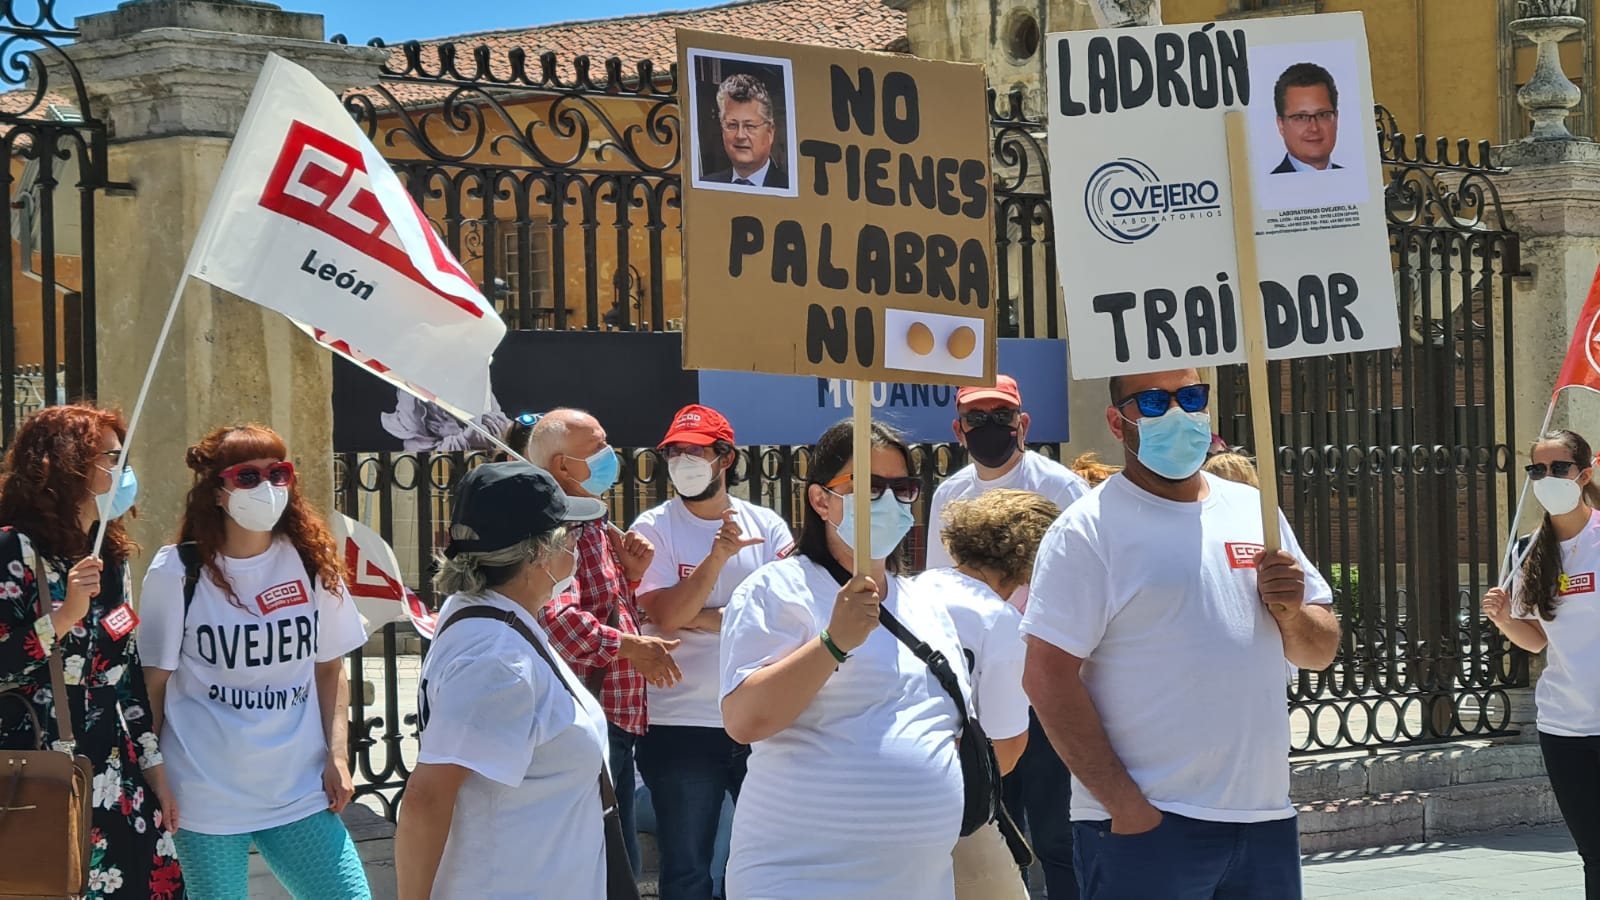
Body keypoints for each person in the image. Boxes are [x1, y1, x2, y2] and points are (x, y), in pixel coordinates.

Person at [1022, 369, 1340, 899]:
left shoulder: (1252, 510)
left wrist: (1290, 612)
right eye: (1151, 401)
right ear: (1116, 420)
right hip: (1149, 827)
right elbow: (1046, 677)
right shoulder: (1088, 529)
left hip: (1263, 820)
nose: (1177, 413)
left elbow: (1320, 650)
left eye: (1191, 397)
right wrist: (1125, 807)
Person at [719, 419, 968, 899]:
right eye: (870, 487)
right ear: (820, 500)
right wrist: (834, 643)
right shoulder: (777, 589)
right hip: (802, 880)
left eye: (903, 488)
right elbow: (743, 720)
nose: (890, 501)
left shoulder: (926, 605)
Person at [140, 425, 370, 899]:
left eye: (279, 473)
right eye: (248, 476)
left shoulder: (311, 562)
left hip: (298, 791)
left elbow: (330, 668)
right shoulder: (177, 572)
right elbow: (153, 685)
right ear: (217, 492)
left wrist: (338, 756)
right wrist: (153, 776)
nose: (267, 487)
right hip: (203, 796)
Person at [396, 461, 614, 899]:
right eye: (571, 534)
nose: (578, 544)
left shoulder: (492, 619)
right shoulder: (496, 659)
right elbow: (426, 799)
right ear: (537, 552)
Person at [0, 404, 183, 899]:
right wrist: (62, 617)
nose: (123, 470)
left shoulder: (111, 556)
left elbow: (125, 675)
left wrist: (155, 771)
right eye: (111, 456)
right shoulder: (14, 550)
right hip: (39, 764)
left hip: (112, 770)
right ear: (67, 463)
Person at [925, 373, 1089, 900]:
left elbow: (1087, 583)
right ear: (958, 428)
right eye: (978, 418)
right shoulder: (950, 494)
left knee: (1057, 833)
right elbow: (940, 590)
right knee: (993, 827)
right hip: (980, 690)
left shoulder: (1061, 487)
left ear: (1024, 424)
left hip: (1047, 687)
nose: (991, 427)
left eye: (1002, 416)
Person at [629, 405, 793, 900]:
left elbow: (786, 619)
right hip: (679, 724)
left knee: (771, 860)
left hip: (758, 720)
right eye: (675, 452)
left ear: (725, 458)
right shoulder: (654, 526)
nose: (682, 462)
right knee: (687, 871)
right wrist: (719, 557)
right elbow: (664, 616)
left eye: (695, 451)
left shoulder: (767, 527)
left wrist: (700, 616)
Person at [527, 407, 679, 876]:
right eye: (595, 448)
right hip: (590, 709)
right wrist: (633, 647)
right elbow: (557, 619)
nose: (609, 455)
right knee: (608, 853)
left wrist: (630, 578)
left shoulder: (590, 519)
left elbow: (599, 603)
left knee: (617, 843)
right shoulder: (559, 526)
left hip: (612, 708)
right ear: (562, 468)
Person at [917, 489, 1062, 900]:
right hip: (952, 805)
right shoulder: (998, 621)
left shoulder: (913, 589)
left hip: (883, 792)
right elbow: (1008, 747)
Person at [1483, 430, 1600, 899]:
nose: (1546, 478)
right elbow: (1535, 642)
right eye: (1537, 470)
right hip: (1566, 727)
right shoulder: (1527, 551)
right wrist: (1505, 619)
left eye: (1558, 468)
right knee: (1593, 853)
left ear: (1584, 474)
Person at [703, 72, 788, 189]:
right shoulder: (706, 186)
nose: (740, 135)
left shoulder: (791, 188)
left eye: (750, 126)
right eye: (732, 125)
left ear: (770, 132)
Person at [1271, 62, 1342, 174]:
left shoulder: (1359, 181)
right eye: (1300, 117)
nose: (1314, 128)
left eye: (1322, 115)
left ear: (1336, 119)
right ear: (1281, 124)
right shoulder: (1264, 189)